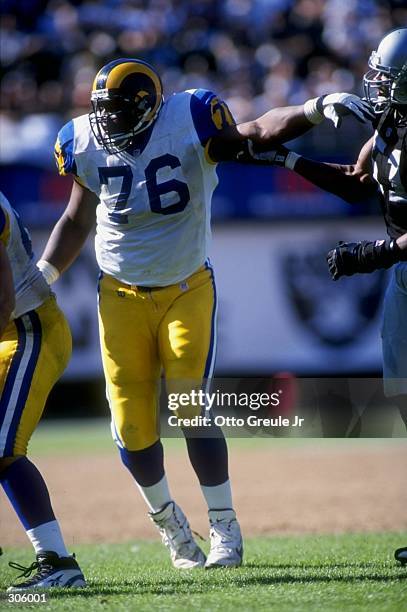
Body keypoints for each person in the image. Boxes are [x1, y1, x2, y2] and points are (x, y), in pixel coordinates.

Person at [36, 57, 371, 569]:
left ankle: (224, 527)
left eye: (121, 111)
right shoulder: (80, 139)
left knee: (191, 403)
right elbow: (76, 218)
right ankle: (169, 523)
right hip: (118, 294)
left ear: (148, 108)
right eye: (104, 110)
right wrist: (45, 274)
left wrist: (313, 107)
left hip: (185, 287)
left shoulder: (191, 116)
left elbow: (257, 131)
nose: (110, 122)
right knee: (130, 425)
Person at [241, 27, 407, 565]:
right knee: (402, 391)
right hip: (405, 274)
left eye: (385, 76)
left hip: (400, 262)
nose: (373, 84)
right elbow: (359, 181)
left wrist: (378, 252)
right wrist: (287, 161)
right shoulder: (388, 126)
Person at [0, 191, 86, 590]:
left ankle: (58, 562)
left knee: (2, 448)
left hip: (27, 329)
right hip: (12, 330)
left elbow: (3, 301)